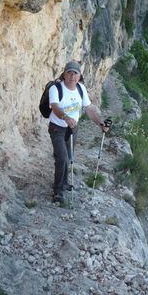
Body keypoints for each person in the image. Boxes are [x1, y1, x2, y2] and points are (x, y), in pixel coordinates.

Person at [48, 60, 109, 204]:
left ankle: (63, 182)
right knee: (61, 157)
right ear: (64, 74)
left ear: (79, 76)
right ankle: (58, 190)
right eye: (69, 72)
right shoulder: (56, 88)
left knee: (68, 157)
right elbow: (55, 106)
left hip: (73, 128)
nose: (72, 76)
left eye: (75, 73)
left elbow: (88, 109)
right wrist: (65, 117)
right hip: (57, 127)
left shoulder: (81, 89)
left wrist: (99, 123)